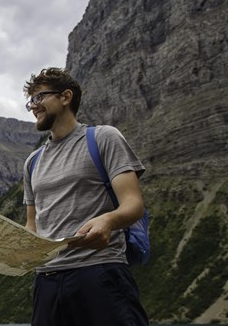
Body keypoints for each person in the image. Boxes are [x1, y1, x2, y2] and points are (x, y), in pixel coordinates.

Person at [22, 67, 149, 326]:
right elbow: (32, 225)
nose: (33, 106)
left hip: (100, 273)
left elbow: (134, 204)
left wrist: (109, 221)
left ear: (65, 97)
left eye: (39, 98)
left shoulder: (103, 138)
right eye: (30, 101)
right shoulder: (32, 162)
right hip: (46, 280)